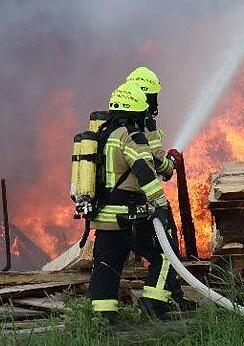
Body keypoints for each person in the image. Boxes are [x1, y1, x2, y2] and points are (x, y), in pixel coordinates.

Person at [87, 76, 185, 322]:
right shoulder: (131, 136)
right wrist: (160, 204)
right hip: (130, 216)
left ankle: (103, 318)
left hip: (103, 217)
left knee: (106, 265)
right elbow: (144, 171)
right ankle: (154, 307)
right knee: (164, 256)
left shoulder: (102, 134)